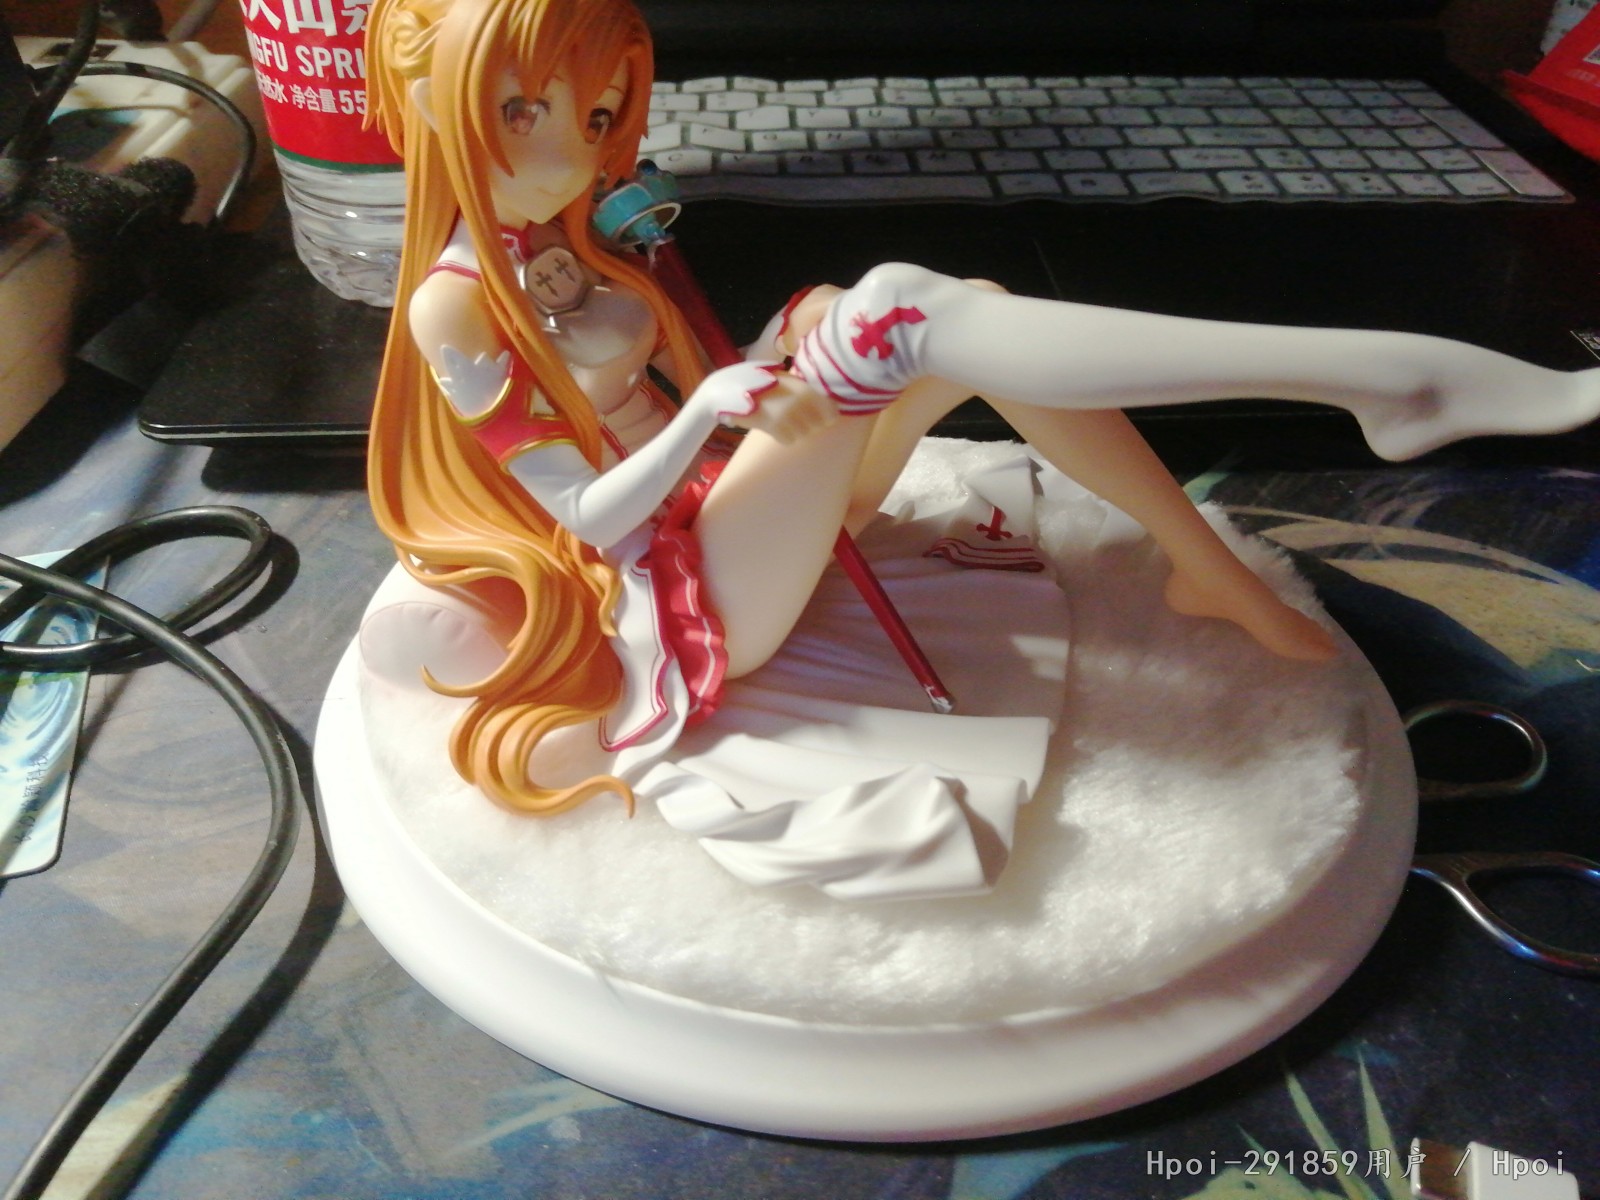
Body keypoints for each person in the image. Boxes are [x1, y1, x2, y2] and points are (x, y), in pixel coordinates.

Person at [362, 0, 1600, 891]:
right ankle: (1379, 377)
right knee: (899, 311)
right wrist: (702, 411)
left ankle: (1203, 566)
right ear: (427, 104)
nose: (573, 148)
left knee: (963, 311)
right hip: (681, 591)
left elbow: (668, 382)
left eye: (593, 112)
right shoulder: (453, 304)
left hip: (738, 509)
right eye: (522, 110)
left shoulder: (564, 238)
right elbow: (588, 516)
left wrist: (748, 368)